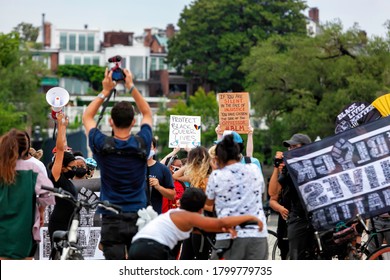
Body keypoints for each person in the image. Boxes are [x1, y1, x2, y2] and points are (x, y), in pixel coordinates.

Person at [82, 67, 153, 260]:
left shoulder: (102, 145)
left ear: (111, 121)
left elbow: (87, 117)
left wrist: (105, 91)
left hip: (111, 216)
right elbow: (147, 113)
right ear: (133, 122)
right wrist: (130, 86)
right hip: (138, 215)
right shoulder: (142, 143)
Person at [128, 188, 264, 260]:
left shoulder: (176, 214)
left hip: (137, 247)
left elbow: (202, 230)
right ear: (200, 209)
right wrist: (251, 217)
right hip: (152, 249)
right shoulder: (188, 216)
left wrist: (226, 230)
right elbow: (220, 222)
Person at [205, 134, 268, 260]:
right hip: (257, 234)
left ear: (218, 157)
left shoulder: (216, 176)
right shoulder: (254, 169)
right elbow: (261, 192)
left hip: (228, 236)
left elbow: (209, 203)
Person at [0, 129, 55, 260]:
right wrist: (41, 212)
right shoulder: (33, 168)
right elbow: (47, 194)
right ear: (25, 149)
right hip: (24, 230)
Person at [268, 133, 313, 260]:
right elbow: (273, 195)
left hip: (314, 218)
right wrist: (277, 168)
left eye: (294, 147)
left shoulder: (315, 165)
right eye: (289, 148)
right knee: (291, 254)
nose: (290, 150)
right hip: (293, 219)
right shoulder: (286, 170)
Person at [172, 146, 214, 260]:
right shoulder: (194, 177)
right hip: (191, 223)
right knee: (185, 257)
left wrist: (190, 204)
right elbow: (175, 176)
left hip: (202, 225)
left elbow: (211, 208)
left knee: (201, 257)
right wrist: (189, 162)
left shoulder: (208, 180)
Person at [47, 113, 79, 250]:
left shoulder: (67, 180)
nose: (76, 169)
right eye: (73, 166)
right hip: (59, 224)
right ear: (64, 167)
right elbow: (60, 149)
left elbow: (63, 146)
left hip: (70, 224)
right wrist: (59, 126)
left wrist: (64, 126)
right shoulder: (57, 177)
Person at [147, 137, 175, 214]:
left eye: (149, 147)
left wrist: (159, 187)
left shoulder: (163, 169)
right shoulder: (132, 168)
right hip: (134, 216)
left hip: (154, 215)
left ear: (154, 149)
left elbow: (172, 195)